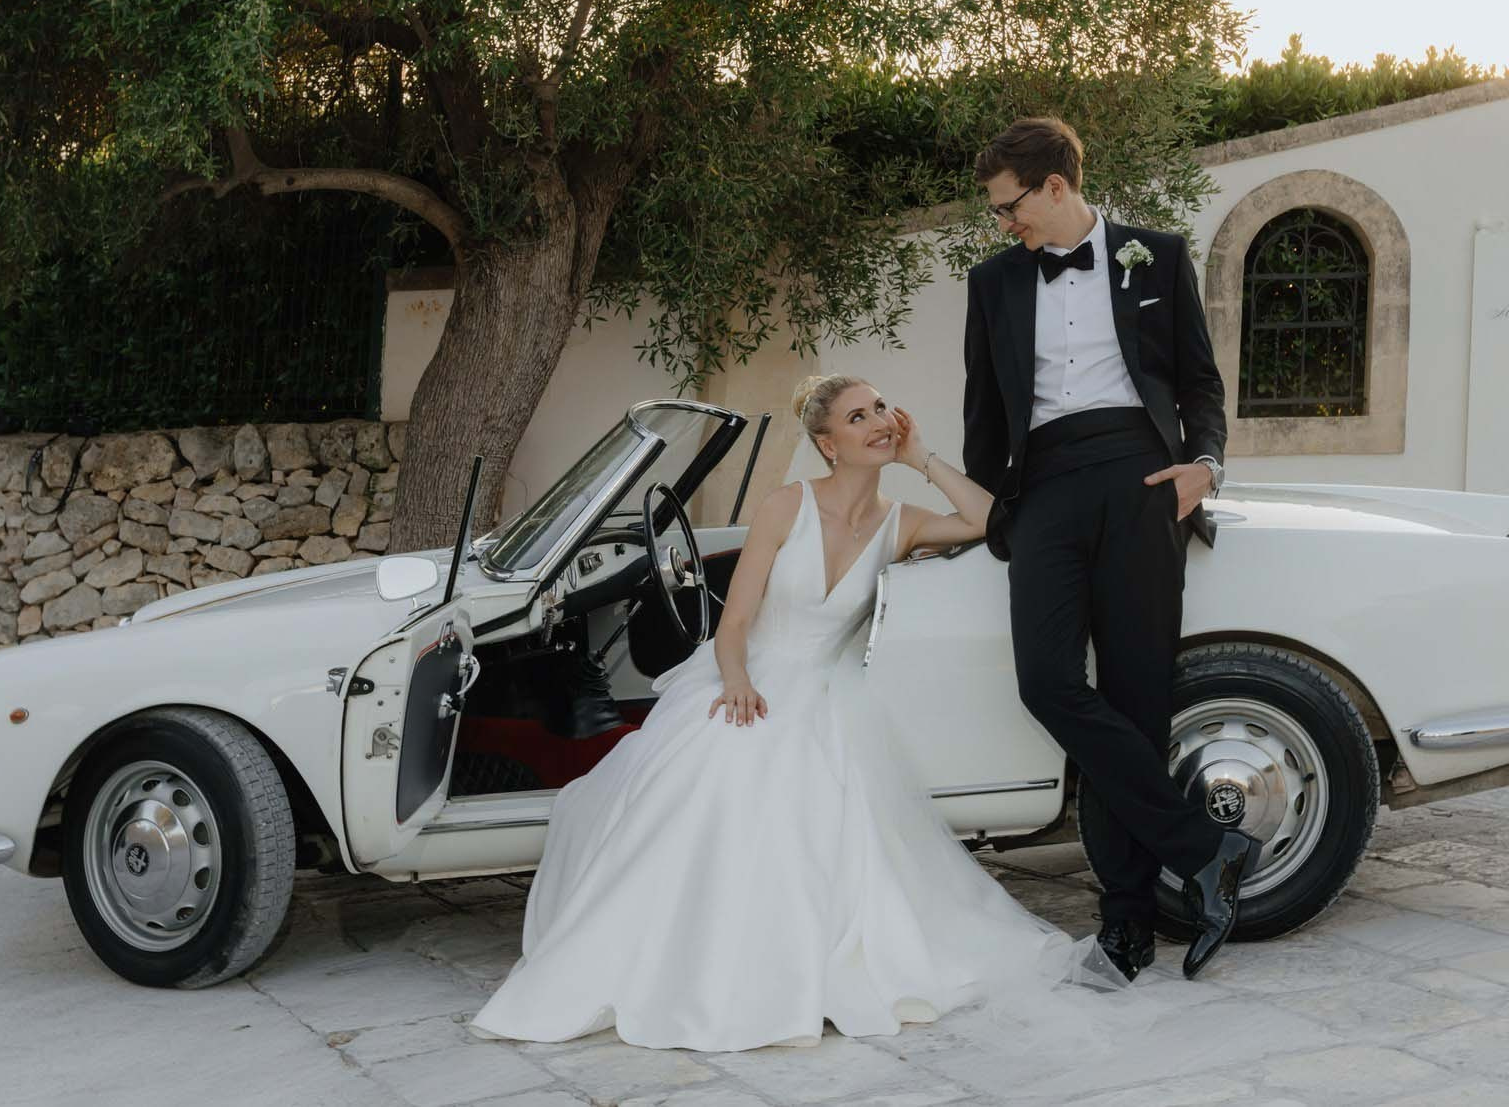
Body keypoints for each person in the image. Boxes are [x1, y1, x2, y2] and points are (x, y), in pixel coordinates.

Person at [472, 373, 1113, 1051]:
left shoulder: (901, 523)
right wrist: (737, 681)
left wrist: (919, 456)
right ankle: (697, 959)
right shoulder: (786, 506)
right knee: (720, 768)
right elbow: (735, 623)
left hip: (831, 697)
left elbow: (990, 522)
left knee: (817, 791)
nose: (878, 421)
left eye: (880, 409)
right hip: (749, 676)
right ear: (828, 443)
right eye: (858, 416)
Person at [961, 116, 1257, 982]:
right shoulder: (993, 281)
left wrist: (1206, 466)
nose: (1003, 222)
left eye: (1008, 205)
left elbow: (1199, 381)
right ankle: (1206, 846)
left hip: (1141, 476)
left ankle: (1127, 923)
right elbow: (985, 413)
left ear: (1055, 185)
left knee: (1136, 700)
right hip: (1046, 486)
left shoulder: (1155, 255)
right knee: (1046, 680)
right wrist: (1000, 513)